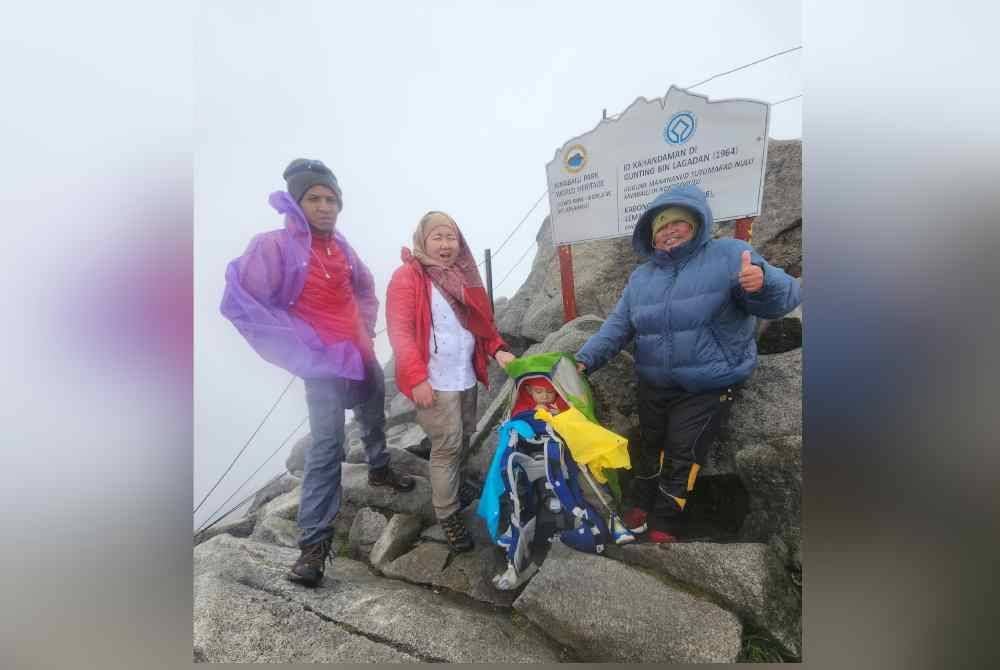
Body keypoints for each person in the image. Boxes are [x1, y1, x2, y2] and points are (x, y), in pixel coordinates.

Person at [220, 158, 414, 587]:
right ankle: (314, 548)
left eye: (331, 199)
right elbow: (243, 302)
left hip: (357, 351)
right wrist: (298, 346)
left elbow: (363, 287)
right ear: (296, 201)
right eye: (315, 199)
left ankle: (380, 465)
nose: (325, 207)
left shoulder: (341, 246)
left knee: (373, 407)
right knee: (327, 446)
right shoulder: (272, 246)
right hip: (321, 364)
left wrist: (364, 328)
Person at [574, 183, 801, 543]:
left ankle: (664, 522)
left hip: (708, 384)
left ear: (696, 223)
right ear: (651, 234)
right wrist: (582, 362)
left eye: (677, 222)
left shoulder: (730, 255)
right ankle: (639, 506)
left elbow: (783, 298)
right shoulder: (641, 278)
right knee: (649, 447)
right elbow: (617, 328)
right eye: (661, 226)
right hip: (654, 383)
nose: (669, 231)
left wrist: (762, 283)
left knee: (683, 453)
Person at [386, 211, 515, 553]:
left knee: (463, 440)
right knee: (446, 447)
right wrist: (416, 379)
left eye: (451, 238)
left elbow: (481, 324)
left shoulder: (462, 275)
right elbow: (400, 333)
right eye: (437, 238)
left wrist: (498, 350)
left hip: (464, 377)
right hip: (434, 381)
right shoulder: (408, 278)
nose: (445, 245)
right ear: (423, 240)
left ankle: (453, 489)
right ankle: (447, 514)